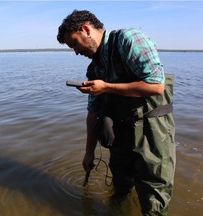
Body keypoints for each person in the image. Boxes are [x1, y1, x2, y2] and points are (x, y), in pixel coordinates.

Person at [57, 10, 176, 216]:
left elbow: (156, 85)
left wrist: (106, 87)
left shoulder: (129, 39)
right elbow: (93, 112)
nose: (75, 52)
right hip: (121, 131)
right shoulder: (94, 68)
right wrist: (89, 152)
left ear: (86, 29)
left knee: (154, 195)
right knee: (120, 188)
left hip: (152, 131)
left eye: (74, 43)